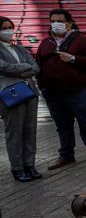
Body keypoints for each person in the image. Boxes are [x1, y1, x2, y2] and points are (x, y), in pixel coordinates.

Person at [36, 8, 86, 170]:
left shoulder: (81, 40)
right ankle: (66, 155)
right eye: (53, 21)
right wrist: (42, 85)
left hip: (79, 91)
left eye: (60, 21)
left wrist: (73, 59)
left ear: (68, 23)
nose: (56, 24)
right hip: (53, 93)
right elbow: (38, 65)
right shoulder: (46, 43)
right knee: (62, 125)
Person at [0, 16, 41, 182]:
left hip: (29, 92)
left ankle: (29, 165)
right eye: (4, 27)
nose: (8, 30)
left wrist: (20, 70)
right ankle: (17, 168)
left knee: (30, 130)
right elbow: (5, 67)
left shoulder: (19, 48)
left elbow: (36, 67)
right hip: (11, 93)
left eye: (10, 26)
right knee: (14, 132)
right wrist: (24, 68)